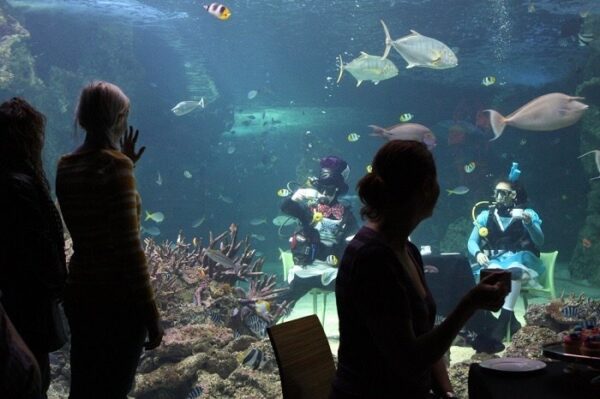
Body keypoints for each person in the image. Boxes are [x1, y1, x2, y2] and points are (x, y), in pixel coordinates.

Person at [331, 140, 509, 399]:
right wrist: (469, 303)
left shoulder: (406, 249)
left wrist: (447, 392)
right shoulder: (373, 258)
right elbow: (409, 360)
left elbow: (425, 339)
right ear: (426, 187)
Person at [56, 81, 163, 399]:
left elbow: (91, 218)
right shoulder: (117, 167)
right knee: (115, 387)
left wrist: (124, 162)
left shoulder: (65, 166)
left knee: (86, 383)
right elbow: (130, 251)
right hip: (117, 300)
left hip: (81, 295)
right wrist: (151, 314)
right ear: (119, 118)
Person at [0, 97, 67, 398]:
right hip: (27, 304)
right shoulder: (20, 185)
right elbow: (38, 248)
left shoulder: (10, 179)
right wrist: (58, 286)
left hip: (16, 302)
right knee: (33, 378)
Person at [468, 163, 544, 342]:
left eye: (503, 192)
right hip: (496, 259)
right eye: (496, 192)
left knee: (514, 270)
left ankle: (502, 321)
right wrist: (478, 253)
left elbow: (540, 241)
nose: (498, 196)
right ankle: (510, 320)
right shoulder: (486, 215)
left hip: (522, 259)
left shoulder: (528, 214)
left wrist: (530, 224)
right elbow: (471, 241)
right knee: (493, 270)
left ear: (514, 195)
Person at [279, 156, 358, 304]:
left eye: (329, 189)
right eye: (321, 188)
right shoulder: (308, 210)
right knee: (274, 303)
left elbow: (353, 245)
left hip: (331, 272)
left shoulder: (347, 216)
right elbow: (285, 206)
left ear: (337, 190)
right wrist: (298, 195)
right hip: (302, 270)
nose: (325, 193)